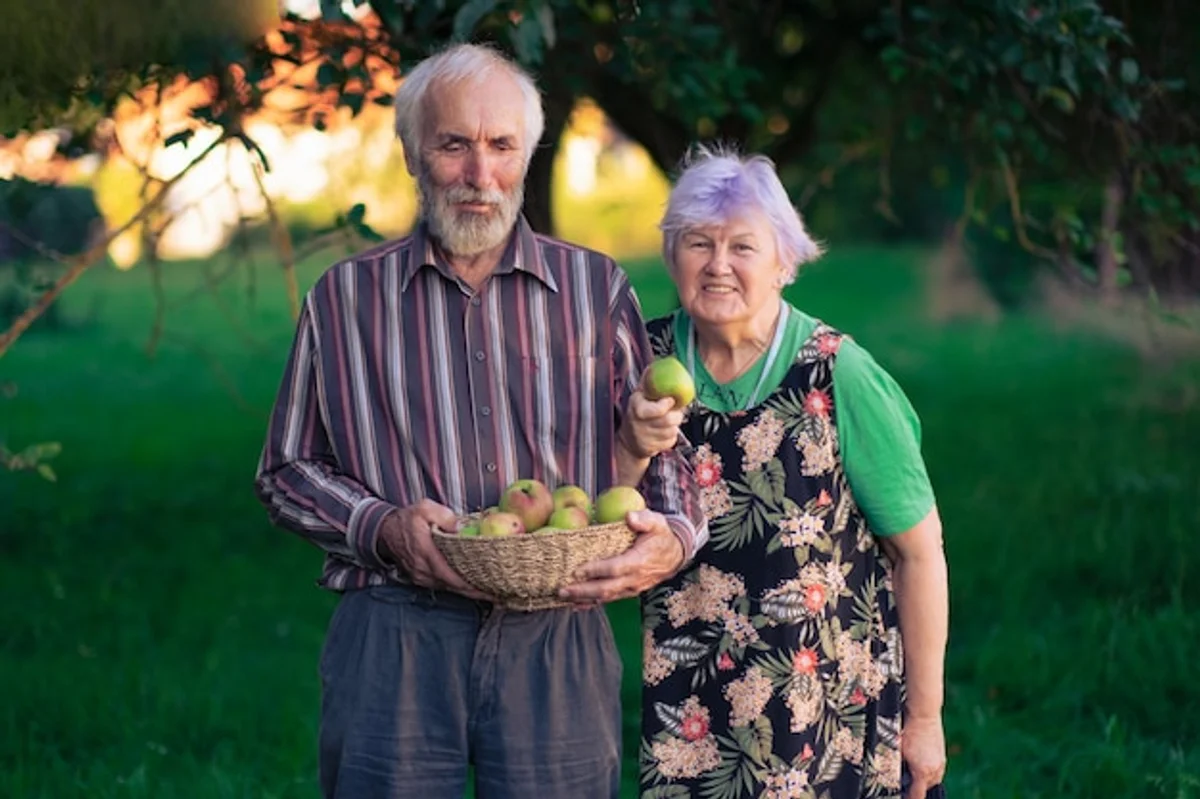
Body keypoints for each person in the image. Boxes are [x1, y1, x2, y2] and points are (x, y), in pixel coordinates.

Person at [253, 43, 706, 799]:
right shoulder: (344, 300)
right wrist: (382, 525)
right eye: (454, 144)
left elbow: (662, 453)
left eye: (501, 146)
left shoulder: (594, 289)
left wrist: (673, 540)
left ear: (527, 155)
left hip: (557, 633)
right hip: (394, 632)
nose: (479, 173)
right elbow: (285, 469)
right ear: (411, 153)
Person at [620, 146, 950, 799]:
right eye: (697, 243)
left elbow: (920, 553)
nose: (717, 265)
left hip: (831, 713)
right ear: (671, 256)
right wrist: (631, 441)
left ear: (784, 263)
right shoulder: (642, 364)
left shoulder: (837, 374)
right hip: (689, 710)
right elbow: (605, 509)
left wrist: (925, 718)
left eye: (742, 246)